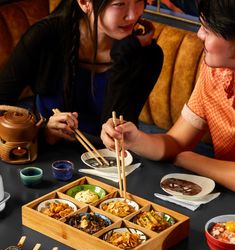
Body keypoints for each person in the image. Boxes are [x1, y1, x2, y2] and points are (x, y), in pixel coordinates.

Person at [101, 0, 235, 191]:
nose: (199, 34)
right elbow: (176, 142)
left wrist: (191, 160)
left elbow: (181, 154)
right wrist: (135, 139)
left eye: (208, 29)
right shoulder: (215, 72)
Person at [0, 0, 163, 145]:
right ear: (85, 2)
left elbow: (115, 136)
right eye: (120, 4)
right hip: (40, 153)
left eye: (139, 1)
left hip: (107, 164)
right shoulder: (45, 36)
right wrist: (43, 133)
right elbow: (2, 103)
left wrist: (123, 54)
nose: (133, 15)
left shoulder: (146, 55)